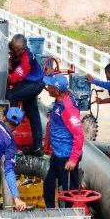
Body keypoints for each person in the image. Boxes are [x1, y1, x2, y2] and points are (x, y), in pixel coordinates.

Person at [42, 74, 85, 209]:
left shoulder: (68, 108)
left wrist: (73, 159)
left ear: (57, 90)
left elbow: (79, 135)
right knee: (48, 186)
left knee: (68, 193)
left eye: (50, 86)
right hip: (58, 154)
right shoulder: (59, 101)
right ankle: (52, 216)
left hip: (67, 157)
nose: (47, 88)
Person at [6, 34, 45, 155]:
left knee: (11, 96)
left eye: (18, 50)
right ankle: (37, 146)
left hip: (33, 84)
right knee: (33, 114)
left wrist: (5, 73)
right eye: (14, 49)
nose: (15, 51)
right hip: (29, 83)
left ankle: (9, 129)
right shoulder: (14, 51)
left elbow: (14, 78)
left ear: (24, 48)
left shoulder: (26, 58)